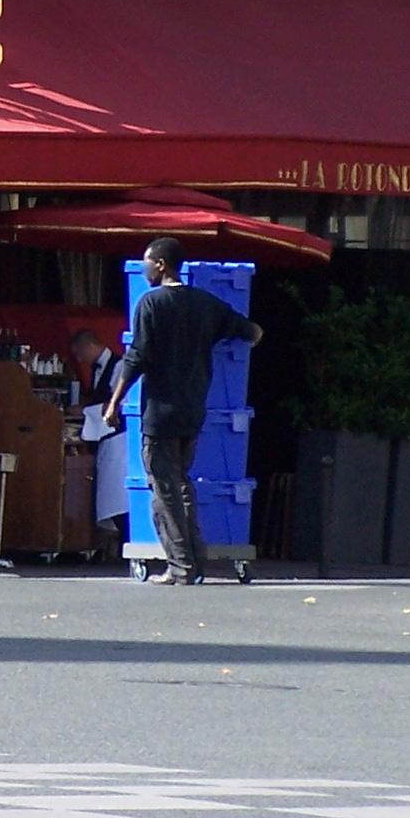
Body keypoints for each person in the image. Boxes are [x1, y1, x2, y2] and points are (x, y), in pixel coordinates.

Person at [103, 238, 264, 586]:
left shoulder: (151, 303)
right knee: (182, 484)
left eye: (147, 262)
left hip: (160, 411)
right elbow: (252, 332)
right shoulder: (205, 303)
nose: (144, 269)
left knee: (164, 491)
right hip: (194, 410)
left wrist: (115, 402)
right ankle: (195, 560)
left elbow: (137, 356)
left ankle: (180, 566)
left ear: (161, 264)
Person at [70, 327, 128, 555]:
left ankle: (126, 542)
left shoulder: (119, 365)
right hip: (105, 441)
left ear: (89, 346)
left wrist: (84, 410)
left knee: (118, 498)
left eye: (79, 353)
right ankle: (119, 545)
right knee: (109, 497)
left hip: (119, 440)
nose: (80, 359)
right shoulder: (96, 370)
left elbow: (116, 403)